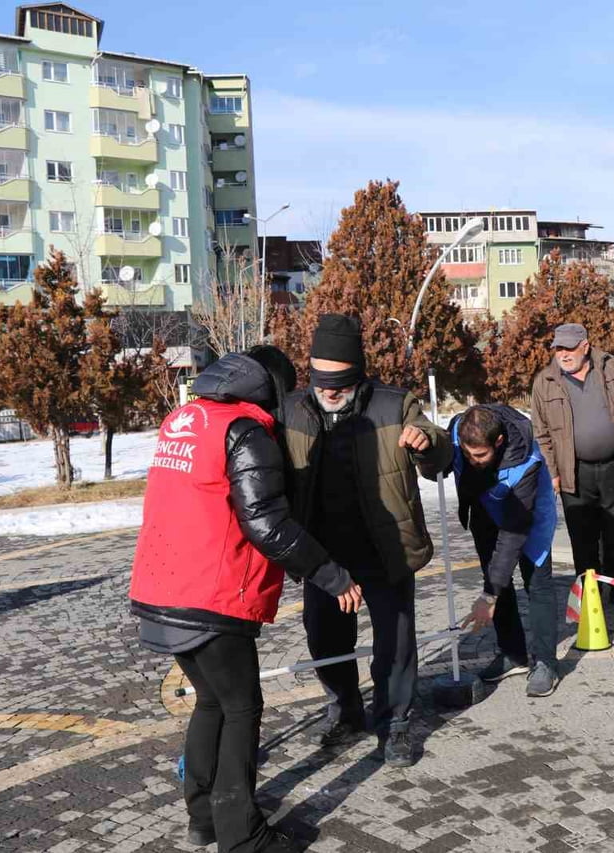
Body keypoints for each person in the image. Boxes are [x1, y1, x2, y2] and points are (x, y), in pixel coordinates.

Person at [129, 346, 362, 853]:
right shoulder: (244, 431)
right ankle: (243, 836)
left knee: (212, 701)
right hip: (209, 595)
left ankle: (204, 816)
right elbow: (266, 523)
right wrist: (331, 575)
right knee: (241, 707)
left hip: (160, 587)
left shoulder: (184, 418)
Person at [280, 314, 451, 768]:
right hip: (322, 553)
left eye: (340, 382)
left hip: (385, 547)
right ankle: (346, 710)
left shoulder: (395, 405)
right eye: (321, 381)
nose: (330, 391)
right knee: (324, 639)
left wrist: (427, 443)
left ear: (359, 374)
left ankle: (394, 723)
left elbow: (441, 451)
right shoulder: (293, 408)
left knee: (394, 644)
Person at [530, 323, 614, 607]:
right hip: (574, 471)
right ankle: (588, 595)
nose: (563, 354)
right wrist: (552, 473)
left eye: (569, 348)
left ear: (585, 346)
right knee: (582, 539)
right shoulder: (544, 381)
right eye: (558, 348)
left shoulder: (611, 368)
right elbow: (542, 433)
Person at [450, 404, 560, 697]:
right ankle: (514, 654)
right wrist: (425, 452)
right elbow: (439, 460)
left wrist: (489, 595)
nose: (472, 461)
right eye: (467, 453)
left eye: (480, 455)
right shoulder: (459, 431)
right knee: (494, 577)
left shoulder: (527, 462)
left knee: (537, 584)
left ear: (498, 443)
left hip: (527, 515)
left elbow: (513, 533)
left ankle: (546, 663)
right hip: (485, 509)